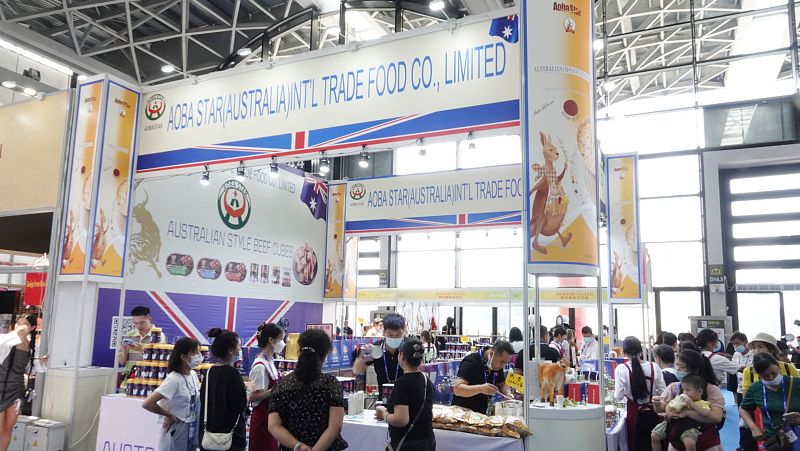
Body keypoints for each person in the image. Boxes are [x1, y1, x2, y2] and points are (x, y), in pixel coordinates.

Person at [269, 329, 347, 451]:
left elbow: (274, 426)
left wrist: (298, 446)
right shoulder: (330, 384)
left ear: (299, 350)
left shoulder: (282, 385)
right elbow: (335, 427)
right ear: (325, 354)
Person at [652, 350, 725, 451]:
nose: (677, 369)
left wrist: (687, 413)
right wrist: (657, 404)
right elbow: (661, 410)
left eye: (682, 367)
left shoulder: (710, 389)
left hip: (706, 442)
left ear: (695, 370)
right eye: (677, 365)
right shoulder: (674, 387)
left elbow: (716, 417)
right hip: (677, 441)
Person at [142, 337, 202, 451]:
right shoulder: (174, 379)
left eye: (199, 351)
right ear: (183, 357)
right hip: (177, 427)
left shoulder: (193, 374)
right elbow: (148, 403)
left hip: (191, 426)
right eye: (194, 352)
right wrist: (168, 415)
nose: (199, 355)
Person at [375, 339, 435, 451]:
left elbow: (401, 419)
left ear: (401, 355)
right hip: (427, 440)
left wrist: (384, 413)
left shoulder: (402, 384)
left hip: (408, 443)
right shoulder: (427, 380)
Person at [200, 328, 248, 451]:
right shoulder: (233, 373)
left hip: (210, 433)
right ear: (231, 351)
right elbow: (240, 405)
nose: (240, 349)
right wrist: (248, 392)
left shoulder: (209, 372)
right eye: (239, 346)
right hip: (230, 437)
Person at [614, 336, 666, 451]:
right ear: (641, 350)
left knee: (636, 445)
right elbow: (663, 391)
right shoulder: (654, 367)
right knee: (654, 443)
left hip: (634, 413)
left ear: (624, 351)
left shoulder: (621, 369)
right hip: (652, 412)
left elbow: (618, 396)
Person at [740, 352, 800, 448]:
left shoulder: (796, 384)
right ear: (759, 375)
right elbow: (743, 409)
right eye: (765, 376)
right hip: (774, 439)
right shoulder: (755, 388)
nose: (771, 378)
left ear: (779, 367)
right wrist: (753, 428)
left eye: (773, 373)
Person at [0, 315, 36, 451]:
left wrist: (41, 363)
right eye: (18, 323)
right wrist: (17, 334)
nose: (20, 326)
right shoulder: (6, 340)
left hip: (16, 390)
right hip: (1, 387)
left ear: (32, 328)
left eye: (25, 324)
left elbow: (30, 370)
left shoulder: (32, 347)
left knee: (8, 429)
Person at [651, 374, 712, 451]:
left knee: (690, 443)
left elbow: (705, 413)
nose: (684, 393)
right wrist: (669, 412)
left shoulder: (702, 403)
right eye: (683, 390)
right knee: (654, 435)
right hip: (673, 423)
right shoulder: (679, 399)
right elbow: (669, 405)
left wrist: (691, 403)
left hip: (690, 426)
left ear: (699, 391)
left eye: (688, 390)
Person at [249, 323, 285, 451]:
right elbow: (252, 396)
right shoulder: (260, 366)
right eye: (281, 339)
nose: (283, 343)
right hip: (262, 421)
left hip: (272, 419)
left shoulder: (270, 361)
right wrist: (276, 389)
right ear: (271, 340)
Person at [452, 340, 514, 414]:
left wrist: (507, 394)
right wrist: (480, 389)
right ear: (491, 354)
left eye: (505, 363)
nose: (502, 366)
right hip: (463, 413)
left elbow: (503, 384)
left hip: (481, 414)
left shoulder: (497, 366)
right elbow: (457, 389)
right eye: (502, 362)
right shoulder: (471, 361)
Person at [353, 313, 406, 393]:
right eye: (390, 334)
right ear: (384, 332)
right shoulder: (376, 348)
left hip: (406, 397)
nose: (394, 338)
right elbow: (357, 370)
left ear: (404, 331)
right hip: (383, 398)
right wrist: (362, 358)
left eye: (398, 334)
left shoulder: (409, 347)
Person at [729, 332, 752, 406]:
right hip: (740, 389)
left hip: (752, 389)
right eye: (733, 344)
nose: (735, 346)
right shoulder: (736, 354)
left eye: (737, 343)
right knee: (740, 412)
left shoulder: (754, 354)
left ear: (745, 341)